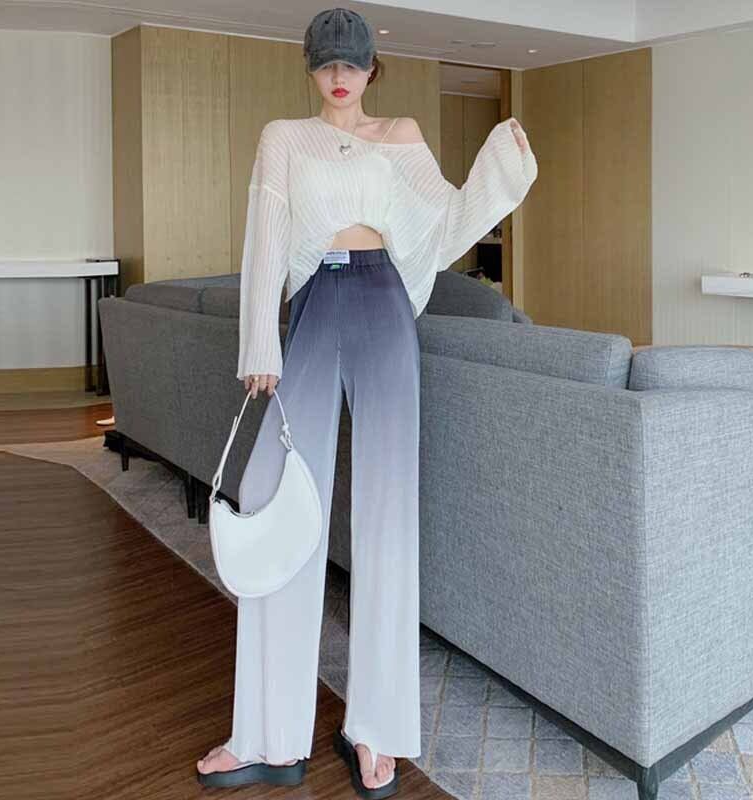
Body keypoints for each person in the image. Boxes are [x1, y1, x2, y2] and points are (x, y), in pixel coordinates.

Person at [196, 6, 538, 797]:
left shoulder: (402, 134)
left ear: (372, 69)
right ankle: (267, 735)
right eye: (326, 63)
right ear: (311, 69)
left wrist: (501, 163)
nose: (339, 76)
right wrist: (259, 344)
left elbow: (447, 223)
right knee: (278, 500)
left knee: (388, 518)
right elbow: (265, 234)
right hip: (316, 306)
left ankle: (374, 731)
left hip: (384, 308)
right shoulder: (285, 138)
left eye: (351, 63)